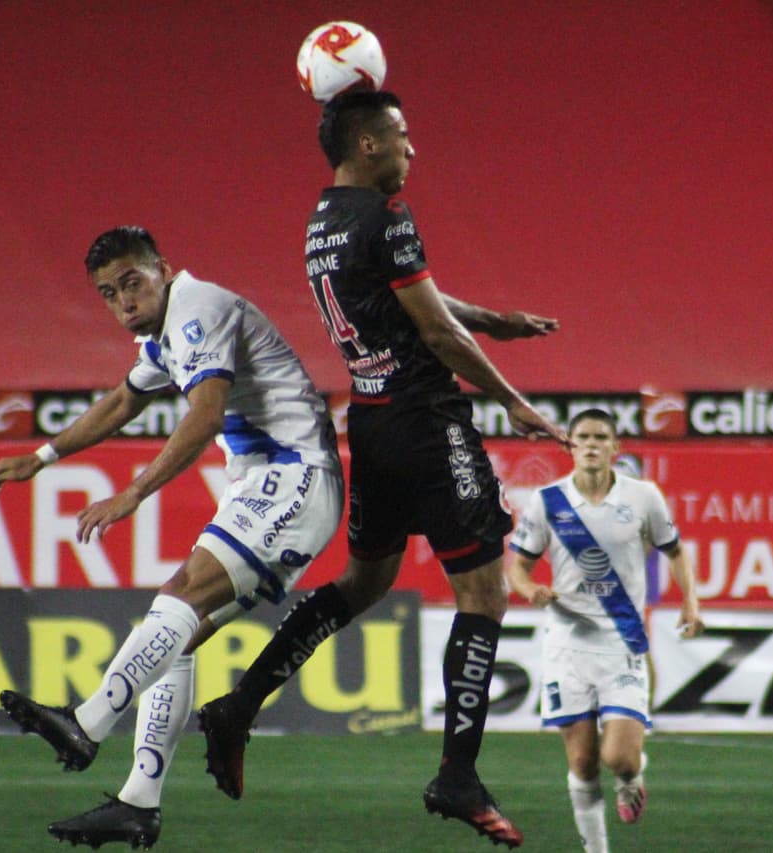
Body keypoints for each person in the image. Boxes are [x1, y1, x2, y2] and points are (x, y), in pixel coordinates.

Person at [198, 89, 570, 850]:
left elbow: (407, 297)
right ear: (368, 145)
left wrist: (495, 320)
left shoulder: (324, 220)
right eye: (401, 136)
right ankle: (456, 774)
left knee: (363, 583)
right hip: (429, 423)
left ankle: (241, 704)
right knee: (485, 592)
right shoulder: (389, 216)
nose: (412, 149)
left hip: (370, 422)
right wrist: (515, 401)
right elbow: (430, 325)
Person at [0, 225, 343, 849]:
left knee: (178, 594)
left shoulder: (197, 309)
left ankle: (88, 722)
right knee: (173, 632)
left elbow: (204, 415)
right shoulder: (165, 335)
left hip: (293, 475)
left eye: (132, 282)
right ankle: (138, 802)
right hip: (272, 481)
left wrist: (134, 492)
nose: (123, 301)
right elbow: (124, 400)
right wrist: (42, 456)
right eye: (108, 292)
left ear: (163, 271)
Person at [505, 408, 703, 852]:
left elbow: (675, 551)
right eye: (582, 438)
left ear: (615, 448)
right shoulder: (547, 501)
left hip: (622, 642)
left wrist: (691, 600)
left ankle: (632, 778)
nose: (591, 445)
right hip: (566, 645)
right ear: (570, 447)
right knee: (583, 760)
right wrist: (531, 589)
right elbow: (516, 567)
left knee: (618, 758)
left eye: (600, 438)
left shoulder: (643, 497)